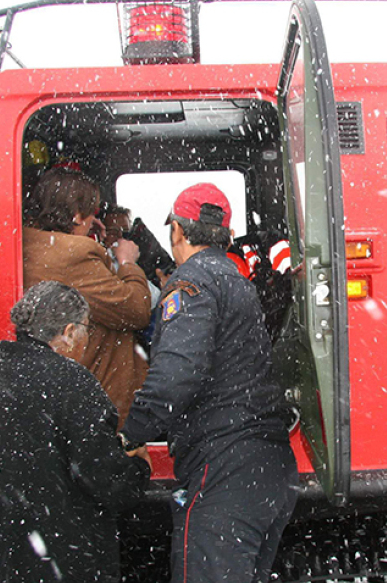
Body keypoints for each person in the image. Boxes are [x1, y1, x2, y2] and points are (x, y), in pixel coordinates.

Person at [121, 183, 298, 583]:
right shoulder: (238, 282)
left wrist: (131, 434)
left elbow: (176, 375)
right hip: (268, 467)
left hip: (224, 471)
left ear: (179, 232)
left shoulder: (192, 283)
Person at [0, 281, 151, 583]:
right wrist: (138, 468)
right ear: (70, 332)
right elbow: (104, 478)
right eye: (87, 329)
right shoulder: (74, 383)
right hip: (60, 558)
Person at [23, 168, 150, 424]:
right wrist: (127, 263)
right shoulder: (74, 255)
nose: (95, 220)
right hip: (96, 401)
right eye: (91, 213)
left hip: (58, 395)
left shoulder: (32, 244)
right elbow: (136, 311)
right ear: (77, 215)